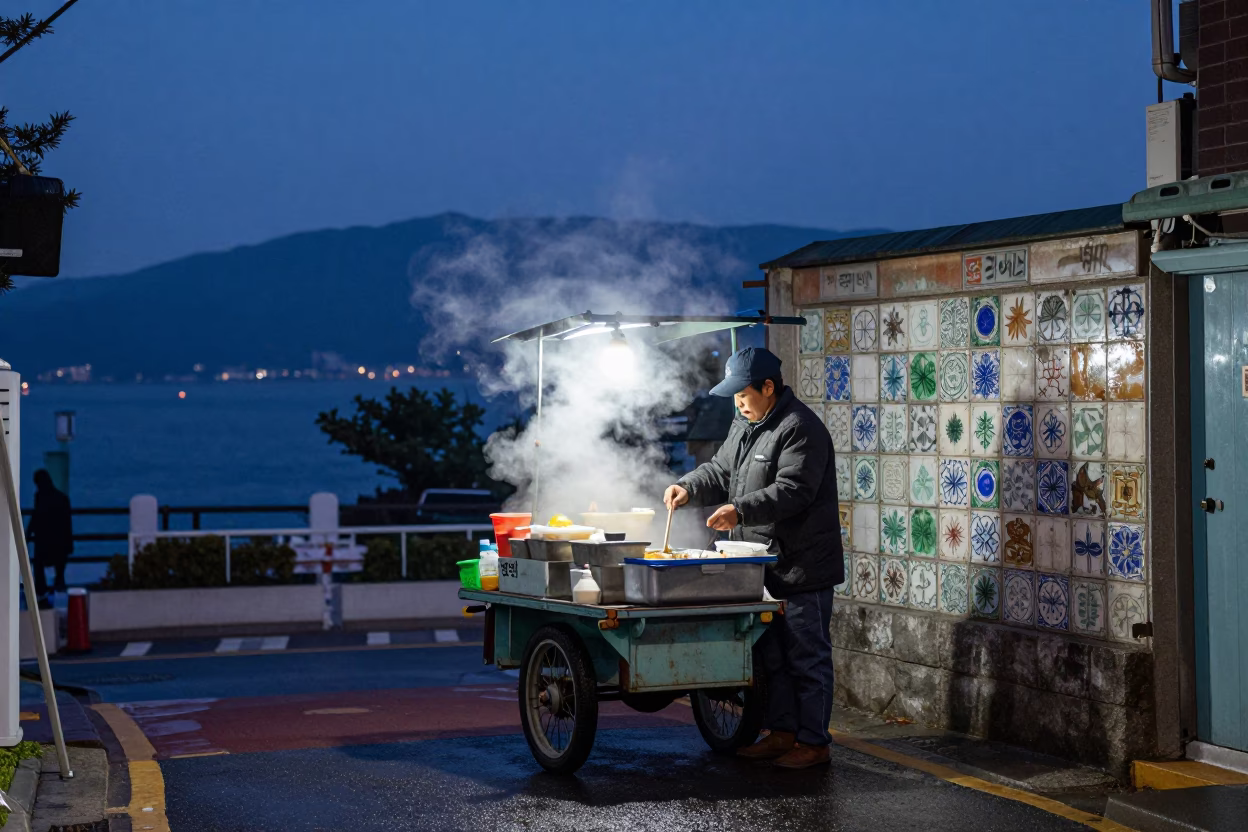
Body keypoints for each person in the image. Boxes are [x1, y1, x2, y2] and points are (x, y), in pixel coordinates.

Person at [664, 346, 842, 769]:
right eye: (734, 397)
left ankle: (814, 742)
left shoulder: (801, 428)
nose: (738, 403)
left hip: (802, 567)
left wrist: (740, 510)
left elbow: (794, 490)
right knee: (771, 656)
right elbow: (720, 470)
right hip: (759, 565)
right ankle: (781, 734)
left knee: (807, 657)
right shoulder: (744, 425)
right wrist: (687, 486)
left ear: (768, 387)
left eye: (743, 394)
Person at [27, 468, 73, 605]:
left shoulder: (40, 497)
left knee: (39, 564)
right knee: (56, 568)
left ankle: (41, 593)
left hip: (45, 542)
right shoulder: (62, 498)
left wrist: (28, 534)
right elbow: (67, 524)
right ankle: (55, 589)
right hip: (58, 542)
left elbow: (35, 517)